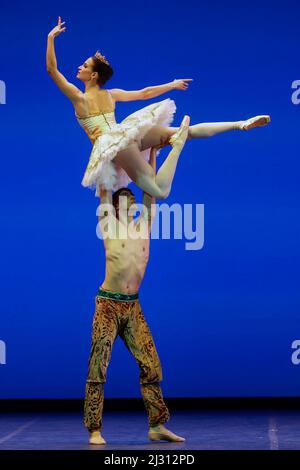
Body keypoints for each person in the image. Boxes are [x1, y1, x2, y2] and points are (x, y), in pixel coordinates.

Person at [46, 17, 271, 199]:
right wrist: (171, 84)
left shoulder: (79, 98)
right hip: (128, 132)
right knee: (188, 131)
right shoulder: (111, 95)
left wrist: (50, 38)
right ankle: (240, 124)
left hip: (112, 145)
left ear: (93, 75)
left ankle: (177, 147)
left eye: (84, 66)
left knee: (159, 191)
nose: (79, 67)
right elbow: (145, 93)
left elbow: (52, 70)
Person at [84, 145, 185, 444]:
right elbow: (104, 190)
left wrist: (151, 153)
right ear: (116, 208)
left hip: (133, 307)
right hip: (108, 305)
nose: (130, 204)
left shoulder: (144, 226)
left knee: (151, 364)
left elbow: (149, 190)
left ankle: (157, 425)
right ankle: (95, 429)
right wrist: (104, 152)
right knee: (98, 366)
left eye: (132, 201)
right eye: (124, 201)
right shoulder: (109, 226)